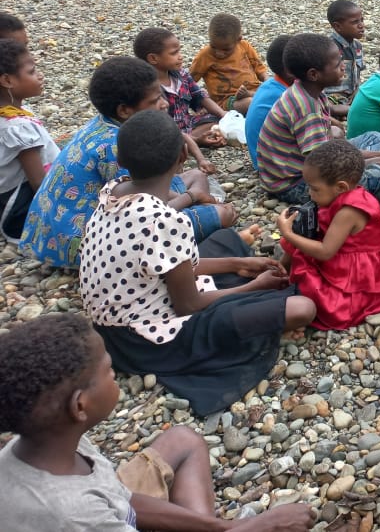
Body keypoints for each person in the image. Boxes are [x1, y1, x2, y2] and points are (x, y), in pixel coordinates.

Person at [79, 110, 316, 416]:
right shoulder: (164, 220)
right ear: (182, 156)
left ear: (121, 161)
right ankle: (255, 316)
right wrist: (253, 287)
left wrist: (235, 264)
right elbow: (188, 306)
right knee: (302, 307)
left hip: (115, 321)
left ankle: (243, 279)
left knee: (227, 242)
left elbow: (159, 262)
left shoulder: (114, 190)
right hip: (146, 339)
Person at [0, 313, 315, 531]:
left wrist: (225, 527)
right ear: (80, 405)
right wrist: (264, 526)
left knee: (184, 439)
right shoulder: (73, 515)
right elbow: (97, 510)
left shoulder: (48, 442)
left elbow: (117, 497)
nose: (116, 378)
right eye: (109, 371)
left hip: (98, 510)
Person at [20, 57, 236, 269]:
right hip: (87, 245)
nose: (164, 104)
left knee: (197, 175)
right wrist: (191, 198)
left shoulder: (103, 125)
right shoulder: (116, 146)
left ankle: (197, 223)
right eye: (154, 101)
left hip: (59, 232)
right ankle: (186, 249)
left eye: (161, 95)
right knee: (219, 215)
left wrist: (190, 197)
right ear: (124, 110)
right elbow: (145, 208)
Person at [275, 139, 380, 331]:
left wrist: (286, 232)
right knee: (300, 240)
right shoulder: (335, 199)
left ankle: (282, 295)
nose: (310, 194)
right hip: (343, 259)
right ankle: (279, 274)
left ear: (341, 187)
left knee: (313, 291)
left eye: (315, 189)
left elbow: (326, 252)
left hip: (356, 276)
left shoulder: (349, 211)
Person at [255, 33, 380, 204]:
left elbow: (327, 148)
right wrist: (374, 160)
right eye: (337, 64)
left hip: (315, 160)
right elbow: (324, 165)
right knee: (379, 180)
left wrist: (376, 157)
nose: (342, 67)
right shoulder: (306, 109)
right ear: (314, 74)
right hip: (297, 183)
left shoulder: (309, 90)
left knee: (374, 137)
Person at [132, 27, 225, 164]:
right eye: (174, 53)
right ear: (153, 58)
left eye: (179, 51)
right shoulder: (148, 89)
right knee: (162, 144)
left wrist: (224, 114)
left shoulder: (181, 74)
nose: (180, 56)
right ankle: (192, 141)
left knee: (215, 118)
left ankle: (191, 139)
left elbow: (199, 96)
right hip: (167, 133)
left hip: (188, 124)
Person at [0, 39, 59, 242]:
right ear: (7, 81)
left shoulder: (12, 114)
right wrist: (56, 220)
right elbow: (37, 181)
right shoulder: (15, 126)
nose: (40, 76)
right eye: (32, 72)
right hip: (21, 210)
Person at [188, 13, 269, 115]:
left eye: (226, 49)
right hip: (227, 100)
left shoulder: (244, 46)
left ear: (238, 40)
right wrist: (198, 104)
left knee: (275, 96)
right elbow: (189, 81)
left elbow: (259, 68)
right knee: (251, 103)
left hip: (254, 92)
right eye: (213, 46)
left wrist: (267, 81)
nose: (219, 53)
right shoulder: (205, 56)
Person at [245, 34, 294, 169]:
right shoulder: (286, 97)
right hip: (276, 168)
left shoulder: (272, 84)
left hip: (265, 160)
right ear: (290, 71)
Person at [322, 0, 366, 120]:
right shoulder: (328, 48)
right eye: (355, 22)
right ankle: (333, 111)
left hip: (352, 95)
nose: (361, 25)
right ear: (338, 26)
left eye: (362, 20)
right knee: (331, 105)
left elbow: (358, 75)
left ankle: (346, 112)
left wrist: (357, 91)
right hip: (332, 96)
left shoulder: (357, 47)